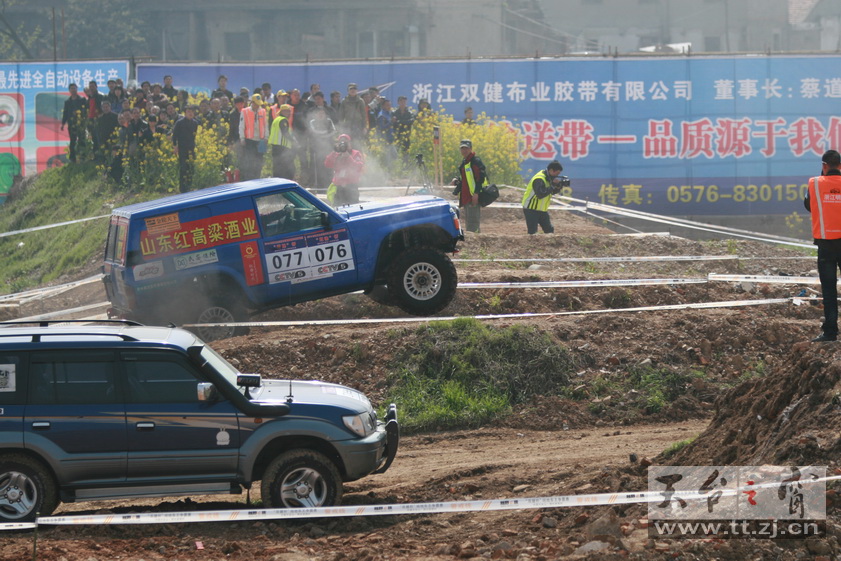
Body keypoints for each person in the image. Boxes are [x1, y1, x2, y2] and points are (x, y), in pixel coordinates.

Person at [805, 149, 841, 342]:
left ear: (824, 166)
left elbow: (808, 205)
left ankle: (830, 333)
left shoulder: (815, 183)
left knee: (829, 290)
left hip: (826, 245)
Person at [451, 139, 487, 233]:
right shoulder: (465, 162)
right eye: (462, 148)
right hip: (466, 197)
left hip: (472, 197)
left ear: (471, 149)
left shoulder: (475, 161)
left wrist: (476, 193)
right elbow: (465, 178)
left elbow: (481, 178)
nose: (464, 150)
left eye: (466, 148)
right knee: (469, 223)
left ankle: (476, 241)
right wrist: (457, 180)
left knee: (473, 224)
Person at [522, 160, 565, 234]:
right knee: (533, 232)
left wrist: (558, 187)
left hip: (542, 209)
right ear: (551, 170)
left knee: (549, 230)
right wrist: (553, 185)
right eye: (557, 173)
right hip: (531, 208)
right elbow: (540, 194)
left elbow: (550, 192)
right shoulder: (539, 178)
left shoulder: (548, 178)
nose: (556, 176)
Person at [324, 133, 365, 206]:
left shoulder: (356, 153)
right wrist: (334, 151)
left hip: (351, 186)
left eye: (346, 143)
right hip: (339, 187)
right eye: (341, 143)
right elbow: (327, 164)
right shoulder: (336, 154)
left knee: (353, 207)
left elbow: (358, 167)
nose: (343, 145)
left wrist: (348, 157)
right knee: (337, 208)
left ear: (349, 143)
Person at [238, 93, 268, 180]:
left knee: (259, 161)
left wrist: (266, 137)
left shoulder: (263, 111)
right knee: (250, 161)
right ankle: (249, 179)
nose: (258, 106)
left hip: (261, 140)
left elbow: (265, 125)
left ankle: (257, 178)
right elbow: (241, 126)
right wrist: (242, 138)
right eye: (257, 104)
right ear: (252, 102)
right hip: (249, 140)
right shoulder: (245, 111)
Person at [172, 105, 199, 193]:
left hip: (191, 148)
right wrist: (175, 146)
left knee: (191, 167)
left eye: (192, 112)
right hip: (182, 148)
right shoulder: (179, 123)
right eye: (188, 112)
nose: (190, 113)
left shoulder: (195, 123)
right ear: (185, 113)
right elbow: (174, 135)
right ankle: (183, 189)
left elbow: (194, 136)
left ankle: (189, 186)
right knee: (183, 168)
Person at [60, 83, 86, 163]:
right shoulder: (67, 102)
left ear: (77, 89)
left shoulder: (82, 100)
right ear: (69, 90)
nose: (73, 90)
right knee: (72, 140)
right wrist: (63, 124)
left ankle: (83, 156)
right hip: (71, 124)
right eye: (71, 88)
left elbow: (85, 111)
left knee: (82, 139)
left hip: (81, 123)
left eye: (74, 88)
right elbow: (65, 113)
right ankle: (72, 158)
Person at [268, 104, 295, 179]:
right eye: (287, 111)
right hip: (282, 147)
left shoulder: (277, 119)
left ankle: (277, 183)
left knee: (277, 169)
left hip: (276, 147)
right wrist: (294, 142)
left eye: (289, 112)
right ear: (282, 111)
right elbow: (285, 133)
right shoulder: (283, 120)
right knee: (286, 169)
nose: (289, 113)